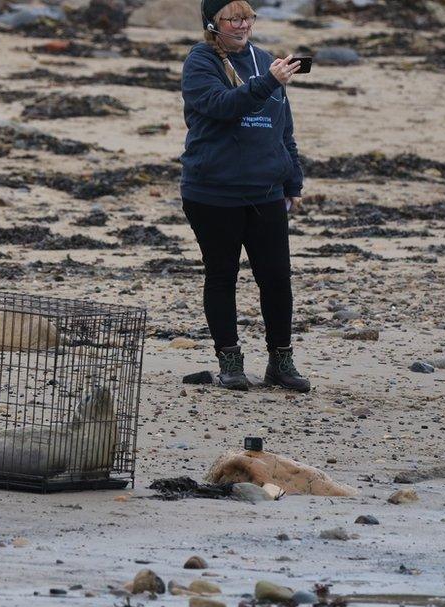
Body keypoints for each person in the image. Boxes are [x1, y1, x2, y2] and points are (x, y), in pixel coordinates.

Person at [179, 0, 310, 393]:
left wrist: (293, 180)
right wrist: (269, 81)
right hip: (212, 192)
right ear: (213, 23)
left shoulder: (265, 60)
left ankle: (281, 362)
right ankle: (230, 362)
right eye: (232, 18)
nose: (242, 25)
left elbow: (282, 127)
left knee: (276, 279)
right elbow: (222, 106)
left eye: (247, 17)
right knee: (222, 276)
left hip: (266, 191)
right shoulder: (200, 62)